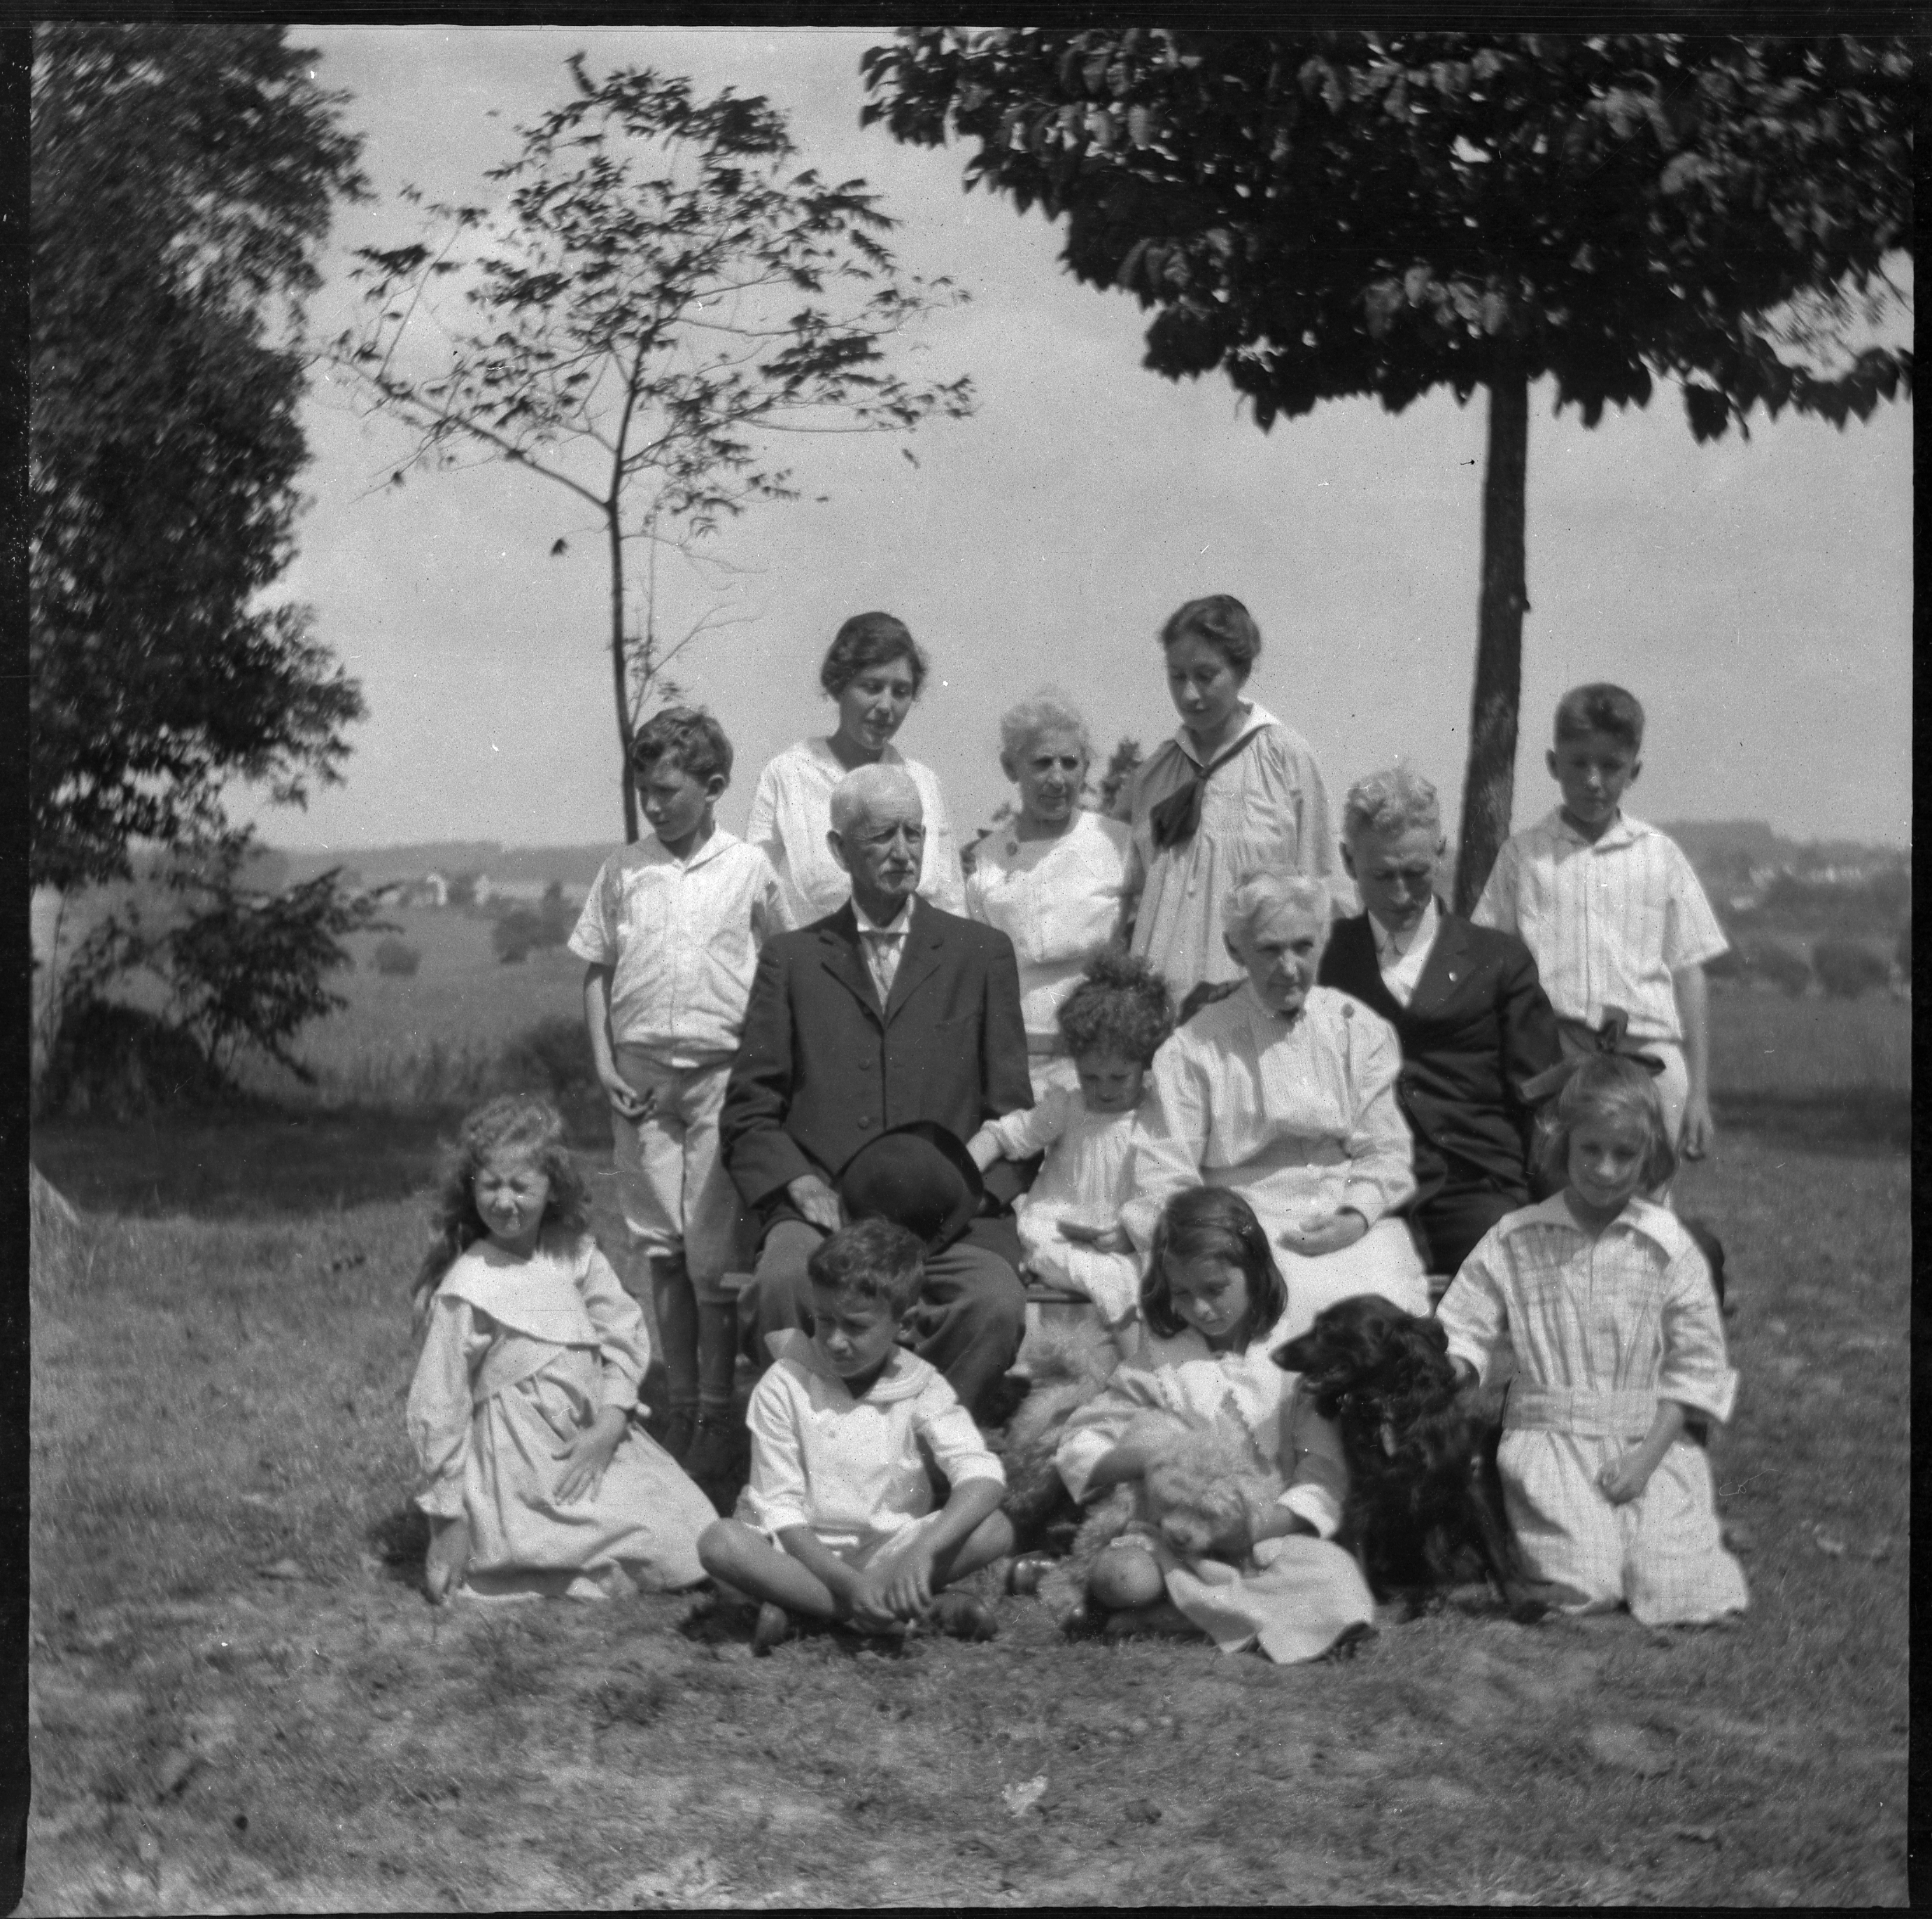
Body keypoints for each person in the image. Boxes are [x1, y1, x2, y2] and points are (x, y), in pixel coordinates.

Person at [720, 763, 1034, 1418]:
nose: (902, 853)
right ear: (838, 850)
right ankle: (820, 1446)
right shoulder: (792, 960)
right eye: (881, 837)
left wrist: (960, 1202)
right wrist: (796, 1187)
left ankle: (922, 1451)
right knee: (782, 1285)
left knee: (994, 1302)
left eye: (914, 834)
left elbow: (1013, 1113)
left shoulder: (980, 955)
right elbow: (750, 1110)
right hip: (826, 1215)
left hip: (951, 1223)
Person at [1435, 1057, 1749, 1626]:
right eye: (1591, 1151)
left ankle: (1669, 1547)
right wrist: (1457, 1366)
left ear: (1648, 1155)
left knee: (1673, 1586)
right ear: (1564, 1147)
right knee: (1586, 1584)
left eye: (1624, 1155)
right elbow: (1464, 1323)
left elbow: (1697, 1366)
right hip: (1551, 1445)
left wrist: (1645, 1458)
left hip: (1646, 1441)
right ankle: (1556, 1547)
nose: (1605, 1170)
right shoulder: (1517, 1237)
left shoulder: (1665, 1245)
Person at [568, 708, 782, 1478]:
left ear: (715, 786)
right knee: (660, 1249)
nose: (655, 805)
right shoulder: (624, 869)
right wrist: (605, 1065)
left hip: (722, 1077)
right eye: (644, 791)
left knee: (713, 1255)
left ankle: (720, 1413)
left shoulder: (749, 869)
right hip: (641, 1083)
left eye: (669, 790)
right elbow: (595, 969)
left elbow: (779, 971)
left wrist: (762, 1070)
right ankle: (683, 1403)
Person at [406, 1095, 717, 1605]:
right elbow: (439, 1402)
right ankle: (552, 1554)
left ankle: (749, 1574)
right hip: (519, 1462)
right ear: (472, 1188)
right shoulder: (469, 1284)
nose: (504, 1201)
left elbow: (621, 1332)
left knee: (685, 1518)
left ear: (552, 1189)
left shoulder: (572, 1254)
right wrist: (448, 1518)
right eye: (490, 1185)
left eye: (521, 1186)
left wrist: (612, 1422)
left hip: (588, 1439)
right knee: (613, 1536)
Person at [1051, 1189, 1376, 1661]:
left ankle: (1173, 1622)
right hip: (1174, 1537)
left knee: (1332, 1576)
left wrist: (1255, 1530)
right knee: (1122, 1578)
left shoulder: (1293, 1364)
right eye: (1182, 1294)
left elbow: (1320, 1475)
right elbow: (1081, 1442)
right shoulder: (1158, 1362)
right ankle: (1205, 1615)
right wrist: (1146, 1457)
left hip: (1264, 1539)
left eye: (1214, 1290)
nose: (1200, 1309)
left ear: (1255, 1273)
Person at [1123, 873, 1429, 1342]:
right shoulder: (1193, 1049)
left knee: (1386, 1312)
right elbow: (1164, 1172)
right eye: (1269, 950)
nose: (1288, 967)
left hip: (1341, 1215)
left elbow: (1384, 1150)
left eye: (1302, 947)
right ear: (1234, 949)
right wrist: (1224, 1241)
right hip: (1244, 1229)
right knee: (1289, 1306)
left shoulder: (1356, 1029)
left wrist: (1354, 1216)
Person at [698, 1219, 1015, 1651]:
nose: (834, 1341)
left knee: (994, 1528)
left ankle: (810, 1610)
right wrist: (849, 1585)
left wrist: (923, 1552)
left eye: (856, 1327)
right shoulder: (785, 1382)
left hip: (890, 1550)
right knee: (721, 1543)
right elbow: (781, 1510)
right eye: (823, 1320)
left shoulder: (921, 1384)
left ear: (904, 1325)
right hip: (796, 1552)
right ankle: (888, 1613)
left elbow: (981, 1475)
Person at [1318, 767, 1562, 1279]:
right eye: (1381, 876)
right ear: (1347, 861)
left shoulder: (1498, 960)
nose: (1402, 894)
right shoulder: (1322, 957)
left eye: (1416, 873)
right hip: (1353, 1188)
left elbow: (1540, 1097)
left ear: (1441, 854)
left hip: (1473, 1186)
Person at [1472, 682, 1729, 1163]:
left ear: (1633, 770)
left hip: (1648, 1058)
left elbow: (1689, 972)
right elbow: (1489, 967)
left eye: (1610, 766)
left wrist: (1696, 1093)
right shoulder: (1523, 856)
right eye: (1578, 763)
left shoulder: (1659, 855)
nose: (1593, 780)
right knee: (1557, 1194)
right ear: (1553, 764)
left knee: (1645, 1205)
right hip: (1555, 1056)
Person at [1113, 594, 1343, 1008]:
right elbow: (1122, 896)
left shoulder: (1286, 759)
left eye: (1206, 676)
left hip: (1253, 997)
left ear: (1242, 671)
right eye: (1176, 676)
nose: (1190, 695)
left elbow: (1321, 891)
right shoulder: (1154, 774)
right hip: (1157, 1002)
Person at [967, 950, 1172, 1356]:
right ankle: (1118, 1368)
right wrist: (963, 1171)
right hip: (1061, 1232)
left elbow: (1166, 1188)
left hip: (1125, 1238)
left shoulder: (1154, 1114)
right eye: (1090, 1076)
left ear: (1144, 1064)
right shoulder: (1067, 1108)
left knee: (1142, 1277)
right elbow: (1005, 1134)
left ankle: (1139, 1370)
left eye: (1119, 1077)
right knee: (1101, 1280)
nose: (1105, 1089)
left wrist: (1131, 1234)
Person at [746, 611, 965, 927]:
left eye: (901, 692)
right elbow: (757, 897)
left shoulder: (924, 784)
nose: (886, 707)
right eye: (872, 687)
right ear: (840, 686)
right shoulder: (787, 774)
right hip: (815, 969)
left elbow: (951, 903)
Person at [965, 691, 1134, 1095]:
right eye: (1041, 763)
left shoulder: (1118, 844)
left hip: (1099, 1060)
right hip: (1012, 1060)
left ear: (1086, 769)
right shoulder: (986, 859)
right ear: (1011, 767)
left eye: (1070, 763)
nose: (1057, 778)